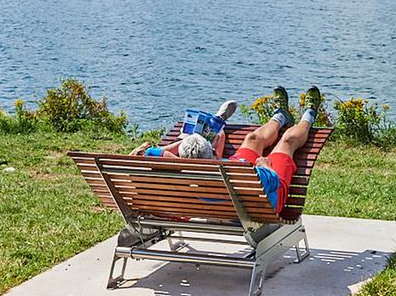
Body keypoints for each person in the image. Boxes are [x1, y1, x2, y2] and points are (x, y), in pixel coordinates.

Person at [132, 87, 323, 213]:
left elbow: (150, 153)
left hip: (230, 192)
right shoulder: (248, 174)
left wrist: (173, 146)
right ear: (215, 153)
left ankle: (281, 115)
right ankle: (310, 114)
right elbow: (271, 182)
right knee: (287, 142)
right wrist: (265, 165)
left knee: (252, 138)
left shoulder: (184, 169)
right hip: (262, 205)